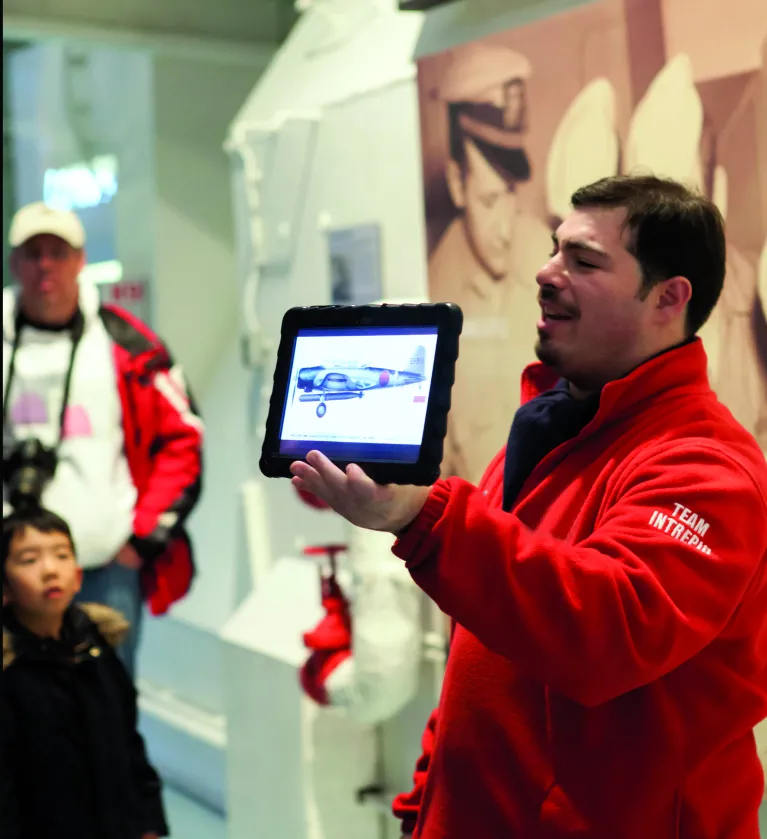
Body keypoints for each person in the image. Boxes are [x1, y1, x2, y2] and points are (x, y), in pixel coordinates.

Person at [290, 175, 767, 838]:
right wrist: (423, 807)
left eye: (584, 260)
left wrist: (424, 517)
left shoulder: (705, 467)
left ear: (668, 296)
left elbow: (603, 631)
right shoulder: (548, 432)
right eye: (553, 249)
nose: (545, 273)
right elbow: (480, 656)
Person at [2, 202, 204, 678]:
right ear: (15, 263)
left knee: (106, 705)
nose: (45, 264)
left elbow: (183, 439)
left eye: (58, 252)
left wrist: (143, 538)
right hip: (9, 570)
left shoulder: (125, 343)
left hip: (105, 563)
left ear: (80, 260)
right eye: (33, 253)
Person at [1, 506, 169, 839]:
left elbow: (130, 745)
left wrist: (148, 824)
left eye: (61, 555)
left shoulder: (98, 648)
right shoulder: (10, 672)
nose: (50, 570)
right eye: (29, 560)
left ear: (78, 576)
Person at [429, 43, 549, 483]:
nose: (504, 227)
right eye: (487, 201)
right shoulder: (433, 296)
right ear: (457, 185)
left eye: (509, 197)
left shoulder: (547, 255)